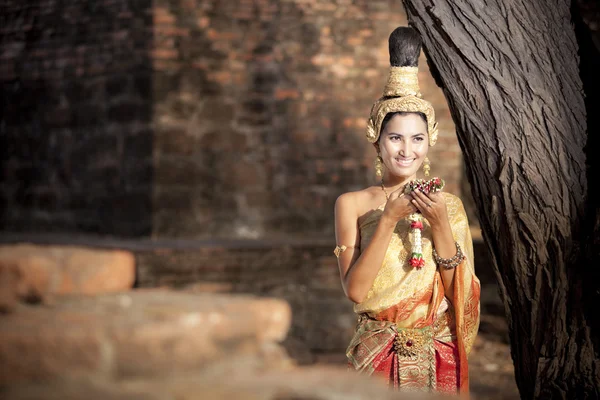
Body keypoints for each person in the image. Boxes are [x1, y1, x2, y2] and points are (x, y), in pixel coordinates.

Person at [334, 26, 481, 397]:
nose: (406, 150)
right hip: (377, 358)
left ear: (429, 141)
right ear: (377, 139)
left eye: (417, 139)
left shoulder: (446, 205)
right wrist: (387, 219)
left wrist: (440, 224)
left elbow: (461, 295)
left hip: (439, 357)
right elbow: (356, 291)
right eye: (395, 137)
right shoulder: (352, 204)